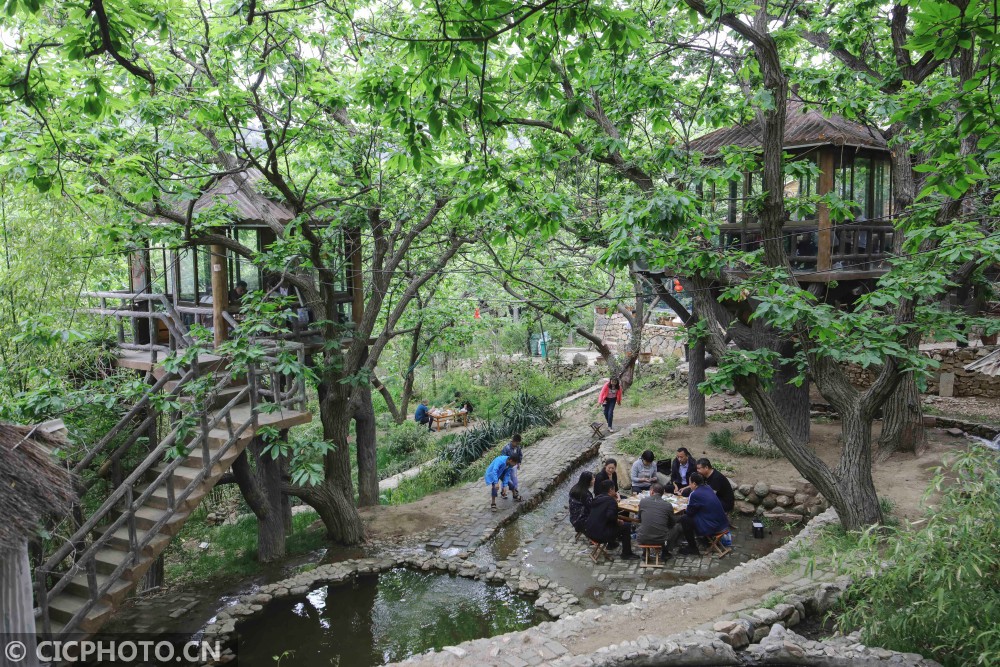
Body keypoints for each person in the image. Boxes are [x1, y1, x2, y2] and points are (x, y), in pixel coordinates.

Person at [585, 479, 639, 559]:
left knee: (610, 524)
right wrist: (618, 521)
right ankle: (626, 553)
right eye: (614, 489)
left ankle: (612, 544)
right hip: (600, 535)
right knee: (626, 526)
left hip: (589, 532)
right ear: (611, 489)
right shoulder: (611, 501)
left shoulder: (596, 498)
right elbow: (611, 516)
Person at [679, 473, 729, 554]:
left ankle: (692, 547)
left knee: (685, 519)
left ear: (694, 484)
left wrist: (687, 506)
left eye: (690, 483)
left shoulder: (694, 494)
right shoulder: (708, 487)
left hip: (714, 527)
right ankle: (704, 539)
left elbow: (689, 512)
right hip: (723, 523)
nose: (689, 485)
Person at [635, 483, 683, 558]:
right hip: (662, 540)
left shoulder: (643, 501)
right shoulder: (667, 505)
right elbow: (672, 523)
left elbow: (639, 518)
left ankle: (645, 553)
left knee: (642, 525)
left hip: (642, 538)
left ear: (651, 491)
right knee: (677, 527)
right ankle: (665, 551)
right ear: (663, 493)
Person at [568, 471, 595, 536]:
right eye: (593, 479)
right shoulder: (586, 495)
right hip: (582, 522)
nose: (594, 480)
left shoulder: (574, 488)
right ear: (588, 481)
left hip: (573, 519)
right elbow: (591, 509)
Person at [499, 434, 523, 499]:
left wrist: (518, 463)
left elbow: (520, 455)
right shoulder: (506, 448)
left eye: (518, 443)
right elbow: (502, 457)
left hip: (514, 466)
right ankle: (503, 492)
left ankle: (515, 490)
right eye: (517, 443)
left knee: (514, 478)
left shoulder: (518, 447)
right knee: (505, 479)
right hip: (507, 466)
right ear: (513, 441)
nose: (517, 445)